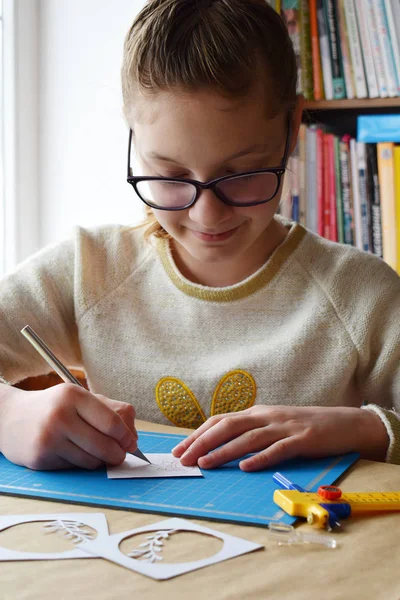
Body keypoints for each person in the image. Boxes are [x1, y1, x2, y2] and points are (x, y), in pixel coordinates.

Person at [0, 0, 399, 473]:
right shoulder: (89, 269)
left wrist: (365, 429)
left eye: (243, 172)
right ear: (133, 135)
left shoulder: (361, 295)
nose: (207, 214)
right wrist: (9, 414)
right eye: (169, 175)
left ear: (292, 129)